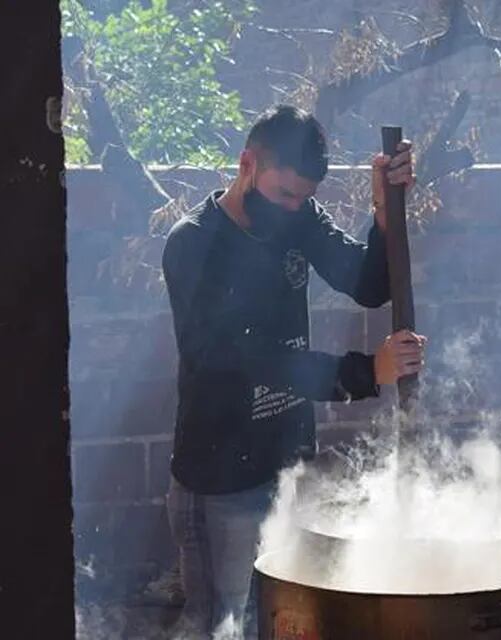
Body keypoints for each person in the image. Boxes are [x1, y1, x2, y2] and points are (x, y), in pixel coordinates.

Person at [162, 105, 426, 636]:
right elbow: (239, 360)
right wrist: (364, 372)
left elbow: (369, 285)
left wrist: (383, 212)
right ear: (247, 164)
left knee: (283, 621)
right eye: (284, 194)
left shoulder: (296, 219)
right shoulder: (193, 244)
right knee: (222, 625)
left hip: (286, 466)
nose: (293, 209)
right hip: (222, 480)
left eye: (304, 199)